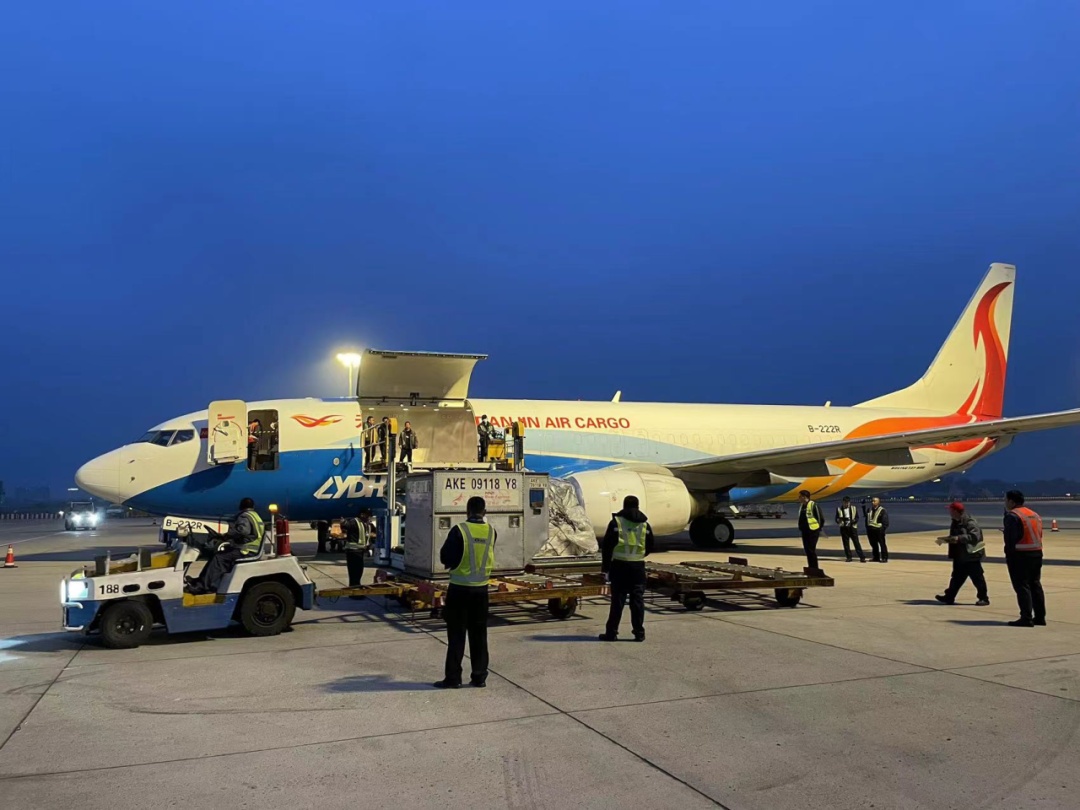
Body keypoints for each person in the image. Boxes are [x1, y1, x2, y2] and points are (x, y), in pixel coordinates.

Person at [434, 496, 497, 689]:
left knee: (456, 635)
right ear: (484, 512)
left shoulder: (459, 530)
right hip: (481, 591)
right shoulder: (491, 532)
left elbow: (445, 557)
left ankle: (453, 678)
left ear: (467, 511)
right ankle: (479, 676)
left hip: (460, 589)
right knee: (479, 635)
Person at [599, 495, 655, 642]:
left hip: (619, 566)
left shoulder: (616, 522)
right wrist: (639, 555)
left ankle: (611, 633)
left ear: (624, 506)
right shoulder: (644, 524)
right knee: (637, 601)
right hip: (637, 567)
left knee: (617, 601)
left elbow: (607, 547)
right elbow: (650, 545)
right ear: (638, 506)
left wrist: (605, 568)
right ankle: (639, 633)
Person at [185, 498, 265, 594]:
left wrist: (225, 536)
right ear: (253, 506)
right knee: (217, 554)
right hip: (251, 549)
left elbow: (242, 531)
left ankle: (203, 587)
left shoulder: (244, 516)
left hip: (245, 551)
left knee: (219, 558)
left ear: (240, 506)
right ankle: (201, 581)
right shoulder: (256, 516)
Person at [1003, 489, 1045, 627]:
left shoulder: (1013, 516)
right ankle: (1040, 617)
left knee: (1022, 586)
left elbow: (1010, 540)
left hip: (1020, 555)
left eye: (1006, 500)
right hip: (1036, 553)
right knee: (1035, 584)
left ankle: (1026, 617)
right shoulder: (1033, 514)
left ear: (1011, 501)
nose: (1005, 503)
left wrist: (1008, 554)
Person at [935, 501, 990, 606]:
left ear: (956, 511)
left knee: (977, 578)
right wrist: (946, 539)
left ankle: (984, 598)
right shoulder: (955, 521)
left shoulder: (969, 522)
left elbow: (975, 537)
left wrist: (958, 538)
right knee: (956, 578)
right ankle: (949, 597)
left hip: (971, 556)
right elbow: (955, 537)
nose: (949, 512)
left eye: (951, 510)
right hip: (960, 555)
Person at [343, 508, 375, 599]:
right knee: (354, 573)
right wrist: (343, 523)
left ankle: (356, 589)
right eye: (368, 516)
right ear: (362, 515)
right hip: (353, 551)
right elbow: (346, 526)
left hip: (360, 551)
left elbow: (367, 537)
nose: (369, 518)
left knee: (358, 572)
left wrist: (369, 548)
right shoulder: (354, 522)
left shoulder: (367, 524)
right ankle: (354, 593)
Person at [797, 490, 826, 571]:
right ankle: (810, 567)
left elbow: (820, 518)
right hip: (805, 531)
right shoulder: (802, 506)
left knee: (811, 549)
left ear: (804, 497)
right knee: (807, 550)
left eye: (800, 496)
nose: (799, 498)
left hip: (813, 531)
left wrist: (819, 529)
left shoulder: (813, 505)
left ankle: (814, 567)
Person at [835, 496, 866, 563]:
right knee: (846, 544)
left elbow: (857, 517)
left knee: (856, 543)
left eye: (848, 502)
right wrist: (839, 520)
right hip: (844, 528)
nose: (846, 504)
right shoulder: (839, 509)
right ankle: (849, 557)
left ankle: (862, 557)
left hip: (852, 528)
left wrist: (853, 521)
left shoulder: (854, 508)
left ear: (849, 502)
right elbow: (836, 518)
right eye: (845, 502)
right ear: (843, 502)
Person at [865, 497, 890, 563]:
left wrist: (882, 529)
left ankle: (884, 558)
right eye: (872, 501)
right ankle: (876, 557)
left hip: (879, 530)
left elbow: (885, 522)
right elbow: (867, 519)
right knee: (873, 544)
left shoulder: (882, 510)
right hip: (871, 530)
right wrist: (867, 528)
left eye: (874, 501)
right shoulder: (869, 509)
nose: (873, 502)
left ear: (878, 502)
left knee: (882, 544)